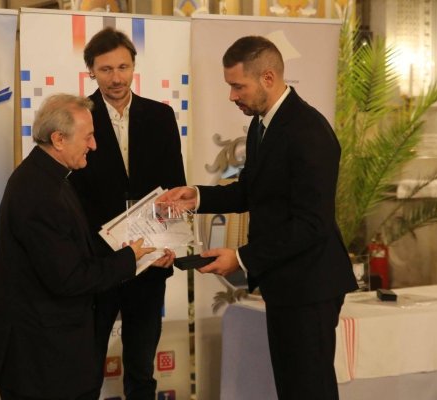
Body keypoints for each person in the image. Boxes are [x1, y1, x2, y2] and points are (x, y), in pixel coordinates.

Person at [158, 36, 358, 400]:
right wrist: (197, 197)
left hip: (310, 286)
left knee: (309, 390)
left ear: (268, 78)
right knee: (292, 388)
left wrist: (241, 257)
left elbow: (311, 224)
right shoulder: (263, 124)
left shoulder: (308, 131)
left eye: (238, 86)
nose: (232, 96)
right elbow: (250, 190)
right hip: (286, 282)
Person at [0, 94, 163, 400]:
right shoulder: (40, 192)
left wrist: (132, 254)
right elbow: (69, 278)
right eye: (88, 137)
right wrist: (129, 259)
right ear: (59, 139)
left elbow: (71, 250)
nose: (94, 145)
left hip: (50, 353)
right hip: (40, 361)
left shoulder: (50, 177)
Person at [69, 27, 186, 399]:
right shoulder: (76, 117)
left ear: (134, 66)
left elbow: (175, 188)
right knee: (86, 369)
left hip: (149, 261)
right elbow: (71, 197)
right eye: (106, 69)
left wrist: (170, 245)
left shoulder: (161, 116)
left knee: (141, 370)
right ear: (91, 71)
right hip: (97, 264)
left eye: (123, 67)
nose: (116, 78)